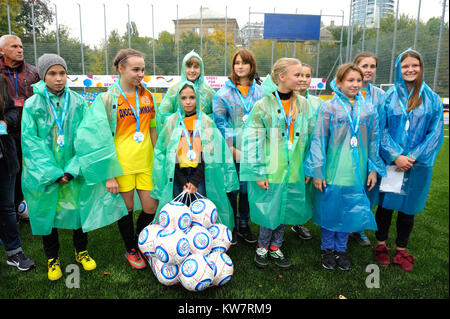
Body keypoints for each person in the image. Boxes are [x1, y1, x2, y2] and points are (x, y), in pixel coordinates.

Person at [21, 54, 127, 281]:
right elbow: (31, 142)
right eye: (52, 73)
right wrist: (52, 172)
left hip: (74, 170)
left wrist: (72, 169)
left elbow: (86, 137)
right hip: (46, 173)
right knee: (47, 214)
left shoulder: (78, 102)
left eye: (62, 73)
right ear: (43, 75)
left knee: (79, 211)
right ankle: (53, 258)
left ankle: (81, 251)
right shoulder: (32, 104)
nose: (59, 78)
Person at [304, 63, 386, 271]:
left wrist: (374, 168)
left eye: (358, 80)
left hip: (356, 171)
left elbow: (375, 140)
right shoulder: (328, 107)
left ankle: (341, 249)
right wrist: (317, 171)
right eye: (350, 80)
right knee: (330, 208)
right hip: (332, 171)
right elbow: (319, 140)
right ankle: (327, 249)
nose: (355, 84)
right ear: (339, 82)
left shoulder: (368, 109)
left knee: (349, 209)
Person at [240, 57, 316, 270]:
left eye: (303, 75)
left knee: (285, 209)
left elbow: (312, 138)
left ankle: (276, 246)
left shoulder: (304, 104)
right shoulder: (262, 105)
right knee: (269, 210)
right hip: (271, 168)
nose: (302, 79)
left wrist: (309, 167)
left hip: (294, 167)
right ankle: (262, 246)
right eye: (297, 75)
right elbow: (252, 141)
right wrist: (258, 172)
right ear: (282, 77)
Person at [86, 49, 158, 270]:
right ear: (120, 69)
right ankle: (131, 248)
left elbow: (153, 129)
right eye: (136, 69)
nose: (141, 74)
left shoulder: (147, 95)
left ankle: (139, 241)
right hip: (121, 166)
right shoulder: (108, 99)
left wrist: (159, 159)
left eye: (143, 70)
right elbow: (101, 139)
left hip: (146, 163)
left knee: (150, 208)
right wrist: (109, 174)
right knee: (125, 209)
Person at [374, 49, 444, 271]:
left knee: (409, 207)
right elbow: (380, 129)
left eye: (415, 65)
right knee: (386, 206)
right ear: (399, 68)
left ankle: (401, 249)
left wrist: (412, 157)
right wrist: (396, 155)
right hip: (392, 163)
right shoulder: (389, 97)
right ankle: (381, 245)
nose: (410, 70)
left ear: (421, 68)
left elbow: (435, 132)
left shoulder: (431, 99)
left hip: (417, 164)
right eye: (406, 66)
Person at [152, 81, 239, 231]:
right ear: (178, 100)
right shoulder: (171, 122)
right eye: (183, 98)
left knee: (200, 212)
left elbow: (209, 154)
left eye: (192, 97)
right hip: (179, 175)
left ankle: (200, 240)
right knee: (180, 212)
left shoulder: (205, 122)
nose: (188, 101)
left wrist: (195, 180)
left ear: (197, 99)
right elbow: (169, 153)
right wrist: (182, 180)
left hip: (200, 175)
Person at [213, 49, 264, 244]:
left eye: (244, 62)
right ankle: (231, 225)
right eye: (236, 63)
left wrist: (253, 147)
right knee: (231, 187)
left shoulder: (261, 93)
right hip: (230, 150)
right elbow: (219, 122)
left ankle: (244, 224)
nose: (240, 66)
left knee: (247, 188)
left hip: (253, 149)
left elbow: (264, 121)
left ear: (252, 66)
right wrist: (233, 147)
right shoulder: (223, 93)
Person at [0, 34, 40, 221]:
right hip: (6, 135)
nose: (20, 49)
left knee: (32, 171)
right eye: (14, 46)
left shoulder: (33, 73)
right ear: (2, 51)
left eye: (21, 46)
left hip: (31, 133)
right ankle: (13, 210)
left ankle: (33, 207)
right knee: (10, 172)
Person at [348, 52, 386, 247]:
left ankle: (358, 227)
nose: (368, 70)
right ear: (356, 67)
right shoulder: (345, 92)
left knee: (366, 189)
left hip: (370, 149)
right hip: (347, 150)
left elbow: (381, 127)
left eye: (372, 66)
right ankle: (344, 226)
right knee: (347, 187)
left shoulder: (380, 95)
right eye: (364, 66)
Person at [0, 74, 35, 271]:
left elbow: (13, 110)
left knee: (6, 208)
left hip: (4, 158)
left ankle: (14, 253)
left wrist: (6, 122)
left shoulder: (2, 81)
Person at [290, 63, 324, 241]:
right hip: (287, 155)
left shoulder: (318, 103)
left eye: (307, 76)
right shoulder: (283, 100)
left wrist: (312, 164)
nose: (303, 79)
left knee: (303, 190)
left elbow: (319, 136)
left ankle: (299, 223)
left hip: (308, 154)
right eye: (299, 75)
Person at [157, 50, 215, 131]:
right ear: (184, 68)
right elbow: (163, 114)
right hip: (179, 136)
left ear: (201, 69)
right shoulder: (174, 90)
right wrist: (181, 120)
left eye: (196, 67)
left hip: (203, 137)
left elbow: (217, 115)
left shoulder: (208, 91)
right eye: (189, 66)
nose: (192, 70)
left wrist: (203, 120)